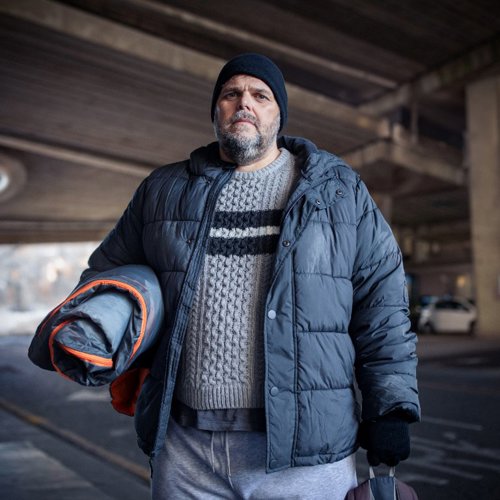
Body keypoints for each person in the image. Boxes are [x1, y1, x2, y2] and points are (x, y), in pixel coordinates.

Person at [80, 53, 420, 499]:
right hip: (186, 452)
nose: (245, 103)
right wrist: (91, 332)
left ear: (278, 112)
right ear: (216, 111)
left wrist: (388, 410)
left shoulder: (336, 192)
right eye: (230, 94)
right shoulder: (162, 191)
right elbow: (107, 274)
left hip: (305, 455)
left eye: (260, 95)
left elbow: (383, 306)